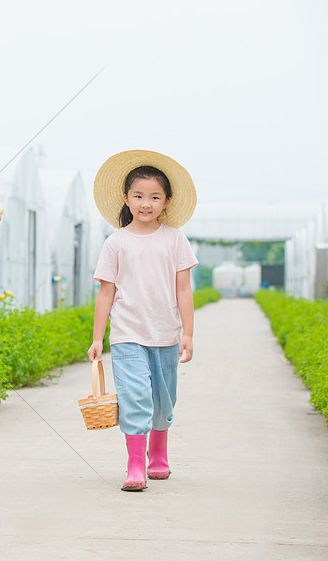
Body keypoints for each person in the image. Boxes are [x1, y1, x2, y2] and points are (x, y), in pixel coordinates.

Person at [87, 150, 198, 492]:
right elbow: (106, 293)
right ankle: (135, 464)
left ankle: (158, 455)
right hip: (127, 334)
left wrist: (188, 334)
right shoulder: (116, 242)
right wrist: (97, 338)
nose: (145, 203)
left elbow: (183, 289)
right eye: (138, 196)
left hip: (165, 334)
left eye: (154, 197)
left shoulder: (175, 239)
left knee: (164, 401)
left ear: (166, 202)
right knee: (135, 397)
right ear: (126, 199)